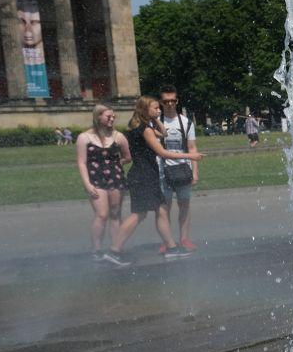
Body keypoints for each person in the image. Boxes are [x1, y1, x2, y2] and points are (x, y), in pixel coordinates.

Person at [100, 96, 203, 266]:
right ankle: (114, 251)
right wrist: (190, 156)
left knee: (161, 210)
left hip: (145, 175)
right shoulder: (145, 130)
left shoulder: (140, 126)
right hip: (144, 176)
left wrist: (155, 119)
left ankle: (171, 248)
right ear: (144, 110)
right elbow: (163, 153)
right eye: (155, 108)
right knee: (138, 215)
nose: (159, 110)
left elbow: (164, 133)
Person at [75, 105, 129, 259]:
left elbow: (127, 156)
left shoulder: (118, 136)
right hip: (95, 179)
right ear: (98, 117)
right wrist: (87, 184)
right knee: (102, 214)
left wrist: (115, 164)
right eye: (108, 116)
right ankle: (96, 250)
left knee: (115, 213)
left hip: (115, 178)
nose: (112, 119)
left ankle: (115, 249)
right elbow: (81, 163)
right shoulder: (84, 137)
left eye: (113, 116)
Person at [156, 85, 199, 253]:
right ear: (161, 102)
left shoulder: (186, 122)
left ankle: (184, 239)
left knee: (184, 205)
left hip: (183, 168)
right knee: (164, 207)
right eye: (166, 101)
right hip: (161, 169)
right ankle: (167, 240)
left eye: (172, 100)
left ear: (177, 101)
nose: (169, 104)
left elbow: (192, 148)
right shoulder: (155, 122)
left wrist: (195, 172)